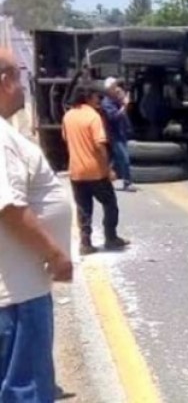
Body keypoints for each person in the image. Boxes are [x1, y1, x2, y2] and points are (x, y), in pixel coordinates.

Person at [0, 49, 72, 402]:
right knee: (23, 390)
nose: (24, 88)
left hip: (14, 290)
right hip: (17, 296)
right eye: (21, 77)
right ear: (4, 81)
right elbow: (8, 207)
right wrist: (56, 254)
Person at [62, 83, 130, 255]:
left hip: (76, 172)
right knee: (110, 204)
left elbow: (65, 138)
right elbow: (100, 145)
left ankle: (85, 243)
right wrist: (109, 169)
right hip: (95, 172)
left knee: (84, 209)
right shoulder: (93, 117)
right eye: (96, 96)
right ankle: (111, 237)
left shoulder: (68, 116)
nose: (99, 99)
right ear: (88, 97)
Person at [101, 77, 135, 192]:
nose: (116, 89)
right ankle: (127, 183)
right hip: (115, 135)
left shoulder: (116, 100)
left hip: (121, 133)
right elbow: (114, 117)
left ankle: (104, 179)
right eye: (114, 87)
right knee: (124, 158)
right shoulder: (106, 103)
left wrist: (123, 99)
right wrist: (124, 105)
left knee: (116, 159)